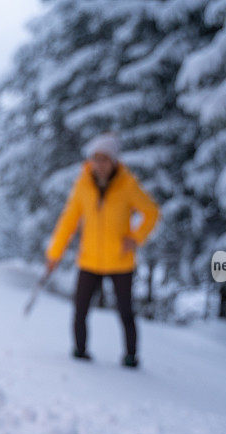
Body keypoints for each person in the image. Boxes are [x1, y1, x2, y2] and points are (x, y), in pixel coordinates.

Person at [45, 133, 160, 368]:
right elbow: (68, 221)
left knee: (126, 312)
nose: (100, 164)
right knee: (80, 309)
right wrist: (54, 254)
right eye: (96, 158)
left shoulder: (127, 185)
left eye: (105, 159)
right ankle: (79, 350)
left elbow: (151, 212)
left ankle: (130, 356)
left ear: (114, 160)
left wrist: (136, 237)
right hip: (90, 260)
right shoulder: (83, 186)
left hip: (120, 261)